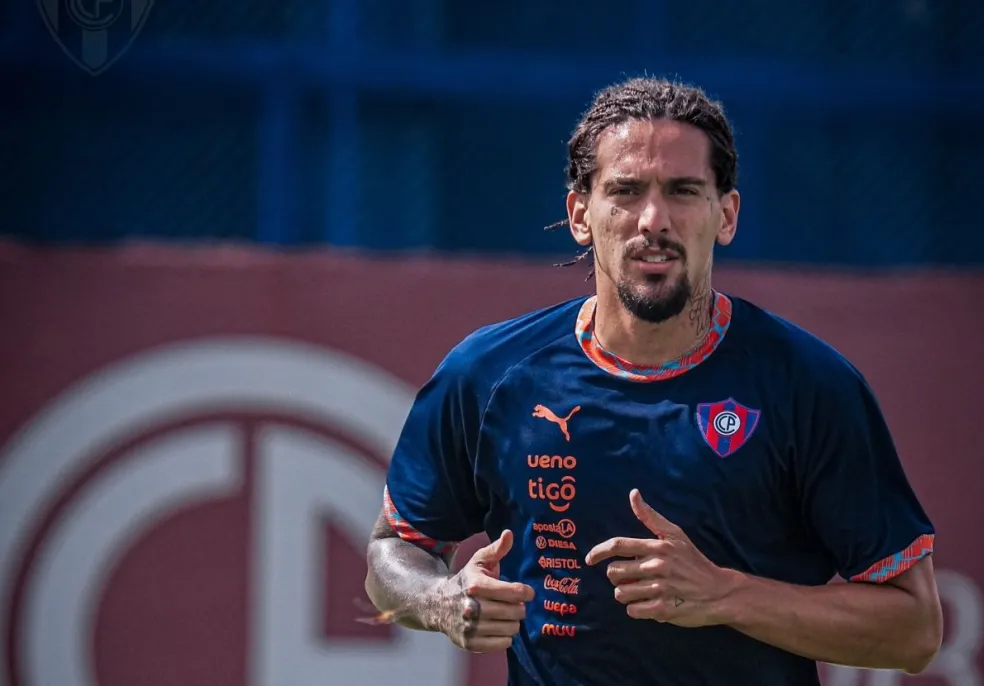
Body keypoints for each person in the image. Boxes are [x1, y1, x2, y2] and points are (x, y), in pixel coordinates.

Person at [363, 76, 942, 685]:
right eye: (626, 191)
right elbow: (391, 554)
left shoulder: (810, 386)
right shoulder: (488, 374)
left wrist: (724, 595)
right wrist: (441, 602)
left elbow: (915, 629)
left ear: (726, 214)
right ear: (580, 214)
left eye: (684, 191)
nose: (653, 219)